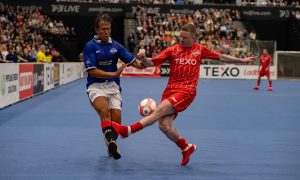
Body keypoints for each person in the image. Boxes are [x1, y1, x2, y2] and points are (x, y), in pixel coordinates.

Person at [105, 23, 256, 166]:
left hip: (187, 91)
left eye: (185, 37)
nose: (181, 39)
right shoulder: (173, 50)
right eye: (180, 36)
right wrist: (144, 59)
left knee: (160, 110)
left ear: (194, 38)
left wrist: (241, 60)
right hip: (170, 90)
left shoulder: (200, 50)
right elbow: (152, 63)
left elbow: (222, 57)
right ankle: (186, 147)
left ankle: (128, 130)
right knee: (164, 126)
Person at [83, 14, 146, 160]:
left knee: (116, 122)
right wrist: (114, 74)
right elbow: (92, 71)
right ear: (97, 30)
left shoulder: (116, 46)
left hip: (113, 87)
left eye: (108, 29)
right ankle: (111, 142)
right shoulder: (90, 46)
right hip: (96, 85)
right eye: (103, 29)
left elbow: (137, 64)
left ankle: (111, 141)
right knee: (104, 112)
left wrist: (145, 60)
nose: (106, 32)